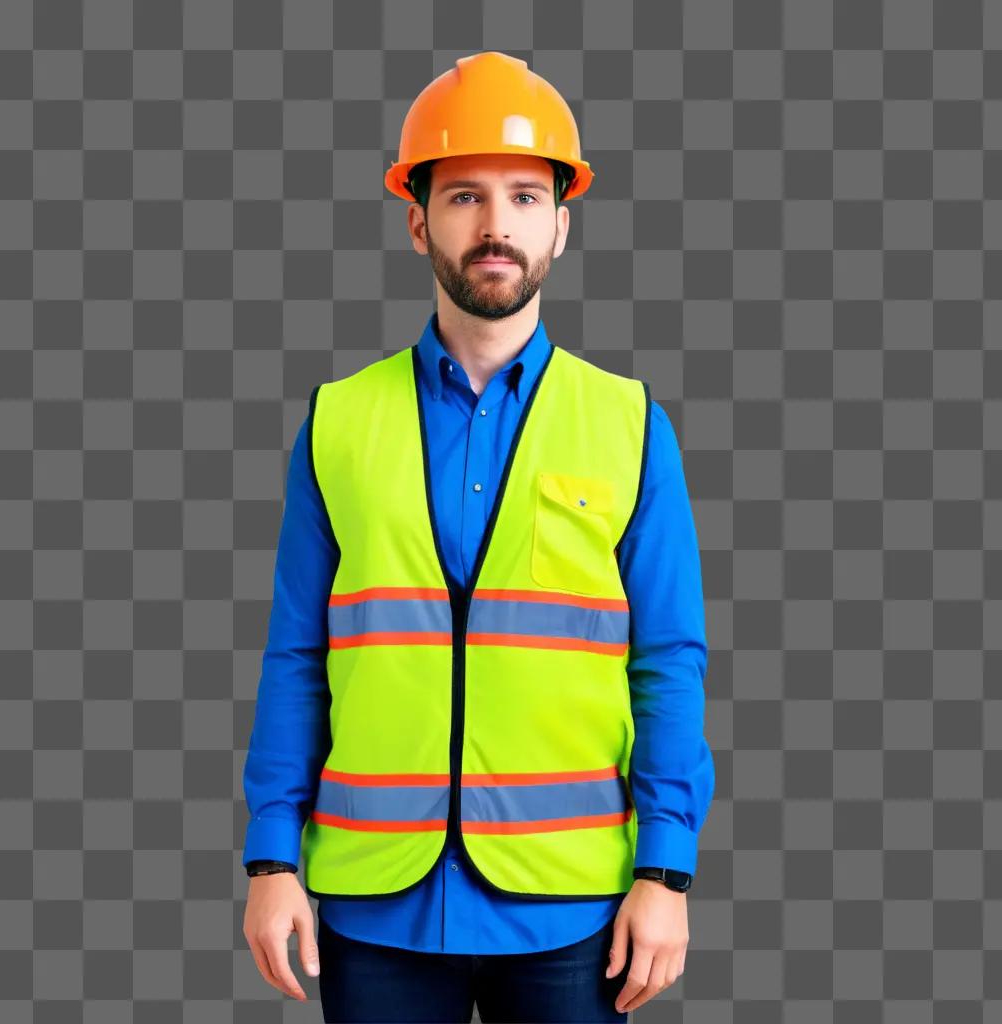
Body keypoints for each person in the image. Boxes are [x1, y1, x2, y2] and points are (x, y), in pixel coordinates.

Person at [240, 51, 715, 1022]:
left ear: (560, 224)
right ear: (418, 219)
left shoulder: (628, 423)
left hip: (571, 907)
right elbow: (297, 654)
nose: (495, 225)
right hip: (375, 904)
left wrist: (665, 870)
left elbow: (667, 658)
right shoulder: (338, 420)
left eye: (523, 197)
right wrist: (269, 855)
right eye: (463, 195)